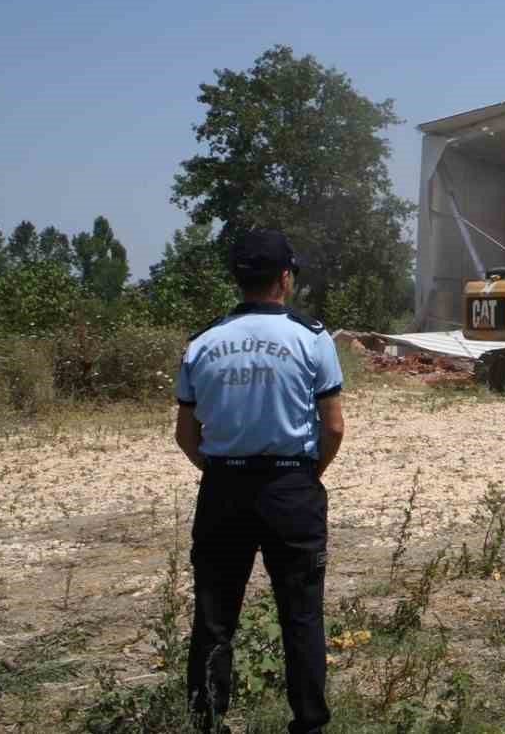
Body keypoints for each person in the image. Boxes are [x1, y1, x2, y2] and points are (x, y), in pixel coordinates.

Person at [174, 229, 346, 734]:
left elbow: (186, 433)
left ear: (238, 279)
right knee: (300, 615)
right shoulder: (312, 337)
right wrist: (306, 475)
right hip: (291, 488)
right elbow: (333, 426)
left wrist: (218, 471)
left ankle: (206, 722)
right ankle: (309, 724)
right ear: (285, 278)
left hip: (223, 489)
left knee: (214, 615)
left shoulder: (203, 341)